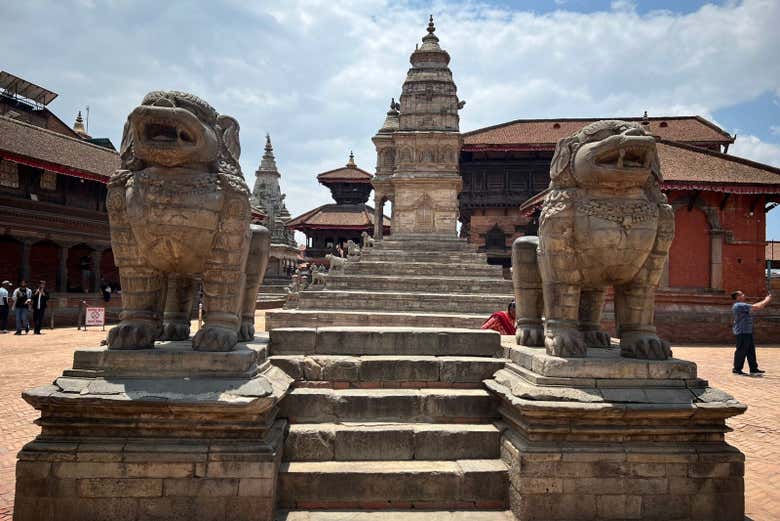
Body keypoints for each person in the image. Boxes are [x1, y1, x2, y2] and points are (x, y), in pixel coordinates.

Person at [731, 290, 772, 376]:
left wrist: (764, 301)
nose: (744, 295)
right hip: (742, 331)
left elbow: (757, 306)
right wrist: (767, 300)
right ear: (737, 297)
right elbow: (757, 307)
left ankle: (753, 369)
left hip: (747, 331)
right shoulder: (739, 305)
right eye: (742, 294)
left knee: (750, 351)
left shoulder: (742, 305)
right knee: (741, 350)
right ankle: (737, 369)